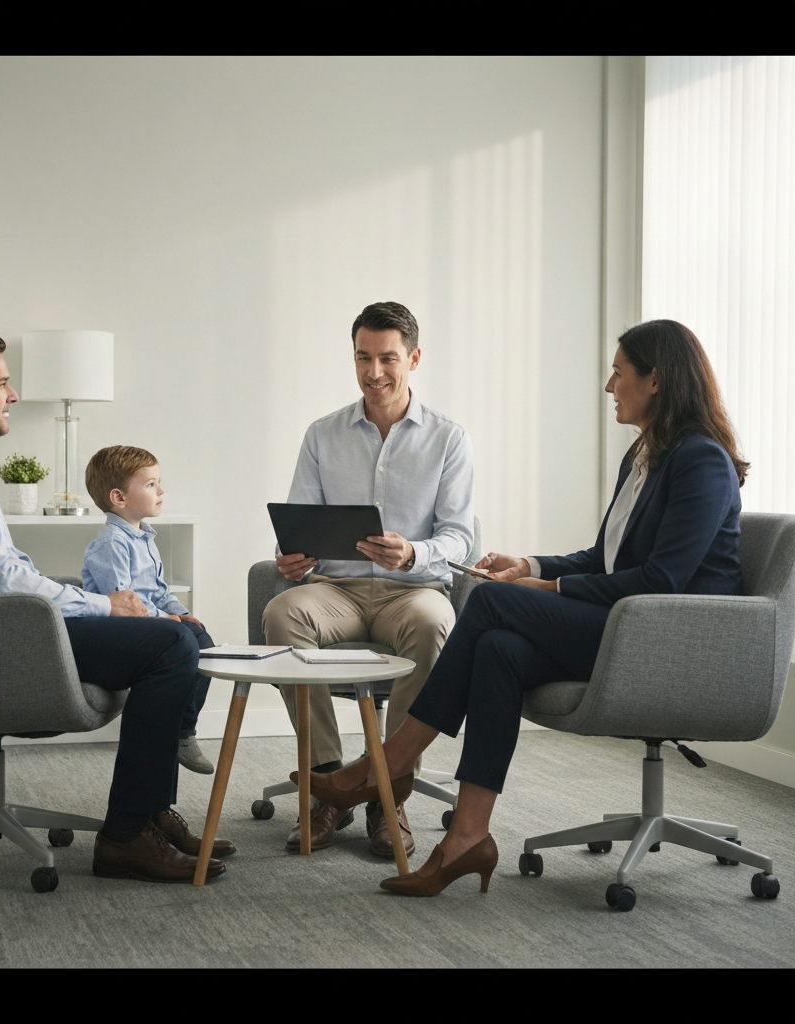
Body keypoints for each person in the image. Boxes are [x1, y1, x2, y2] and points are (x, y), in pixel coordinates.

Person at [301, 319, 747, 896]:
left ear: (656, 380)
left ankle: (389, 763)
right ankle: (467, 837)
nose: (609, 386)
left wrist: (550, 590)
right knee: (499, 648)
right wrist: (530, 565)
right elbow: (605, 559)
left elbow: (663, 580)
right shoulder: (645, 456)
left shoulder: (700, 460)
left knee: (489, 603)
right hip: (626, 622)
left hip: (668, 639)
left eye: (618, 373)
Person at [0, 330, 235, 884]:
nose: (13, 394)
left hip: (1, 625)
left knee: (180, 635)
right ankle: (125, 836)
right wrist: (102, 605)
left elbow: (3, 573)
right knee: (170, 644)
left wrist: (93, 604)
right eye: (2, 382)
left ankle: (149, 811)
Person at [264, 301, 474, 858]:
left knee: (433, 623)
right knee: (282, 612)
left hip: (414, 590)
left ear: (414, 358)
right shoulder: (322, 434)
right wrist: (292, 557)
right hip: (337, 589)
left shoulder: (448, 439)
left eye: (387, 358)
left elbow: (460, 538)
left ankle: (389, 791)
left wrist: (413, 553)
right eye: (363, 357)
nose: (374, 372)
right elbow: (299, 522)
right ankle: (329, 783)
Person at [81, 445, 216, 775]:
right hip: (120, 630)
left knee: (204, 643)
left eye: (159, 483)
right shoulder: (112, 543)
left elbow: (159, 591)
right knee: (190, 642)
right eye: (151, 484)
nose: (161, 491)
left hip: (149, 622)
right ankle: (181, 732)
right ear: (119, 497)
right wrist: (165, 619)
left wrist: (180, 612)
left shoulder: (144, 538)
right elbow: (124, 602)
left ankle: (182, 728)